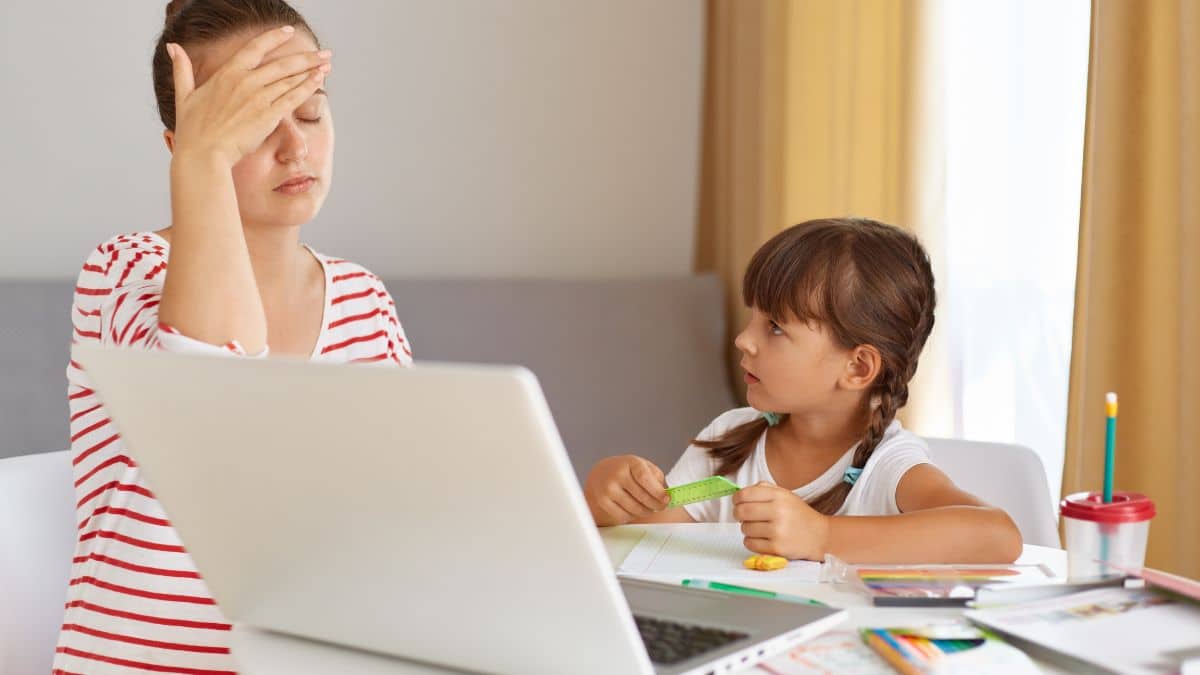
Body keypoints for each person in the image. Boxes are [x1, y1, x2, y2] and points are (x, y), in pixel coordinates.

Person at [57, 1, 410, 671]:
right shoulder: (124, 271)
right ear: (183, 147)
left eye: (309, 111)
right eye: (249, 127)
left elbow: (396, 509)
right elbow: (219, 377)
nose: (295, 147)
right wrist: (202, 161)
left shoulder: (365, 299)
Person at [583, 218, 1023, 564]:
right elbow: (647, 538)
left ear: (857, 366)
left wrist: (822, 535)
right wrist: (608, 499)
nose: (743, 339)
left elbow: (998, 536)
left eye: (775, 327)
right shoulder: (731, 439)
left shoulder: (887, 466)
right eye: (753, 318)